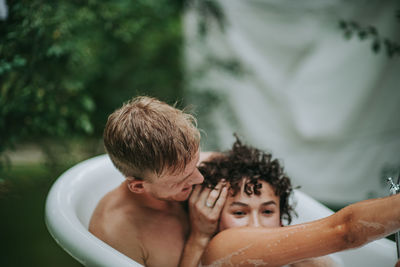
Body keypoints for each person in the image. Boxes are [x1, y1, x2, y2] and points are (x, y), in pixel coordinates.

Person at [197, 136, 400, 267]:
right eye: (240, 213)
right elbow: (345, 231)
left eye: (267, 212)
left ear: (281, 216)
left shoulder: (308, 259)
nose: (256, 225)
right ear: (214, 215)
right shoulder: (221, 250)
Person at [89, 96, 228, 267]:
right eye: (182, 179)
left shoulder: (178, 166)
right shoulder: (116, 235)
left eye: (195, 164)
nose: (200, 178)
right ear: (138, 186)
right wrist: (199, 238)